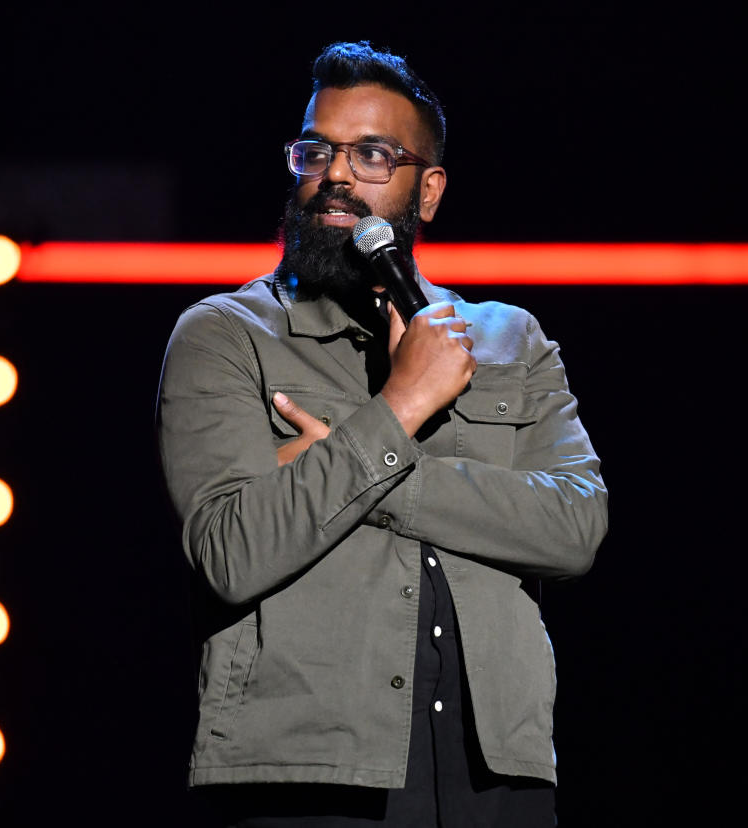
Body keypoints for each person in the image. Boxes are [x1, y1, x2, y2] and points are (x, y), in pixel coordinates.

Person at [157, 41, 607, 827]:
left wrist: (340, 459)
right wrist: (399, 409)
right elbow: (230, 552)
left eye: (371, 154)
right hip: (307, 767)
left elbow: (574, 528)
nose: (335, 175)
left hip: (496, 770)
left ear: (426, 190)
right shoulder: (225, 335)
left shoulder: (509, 339)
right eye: (316, 150)